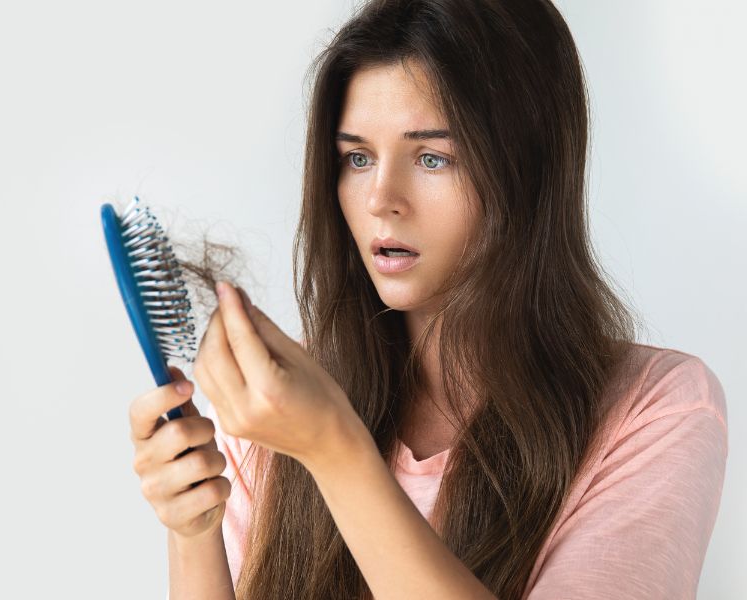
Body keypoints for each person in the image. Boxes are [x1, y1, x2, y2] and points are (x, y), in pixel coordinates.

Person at [128, 1, 729, 598]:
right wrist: (192, 532)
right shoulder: (277, 410)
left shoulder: (656, 410)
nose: (380, 199)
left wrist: (335, 450)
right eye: (357, 158)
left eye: (432, 157)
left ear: (527, 172)